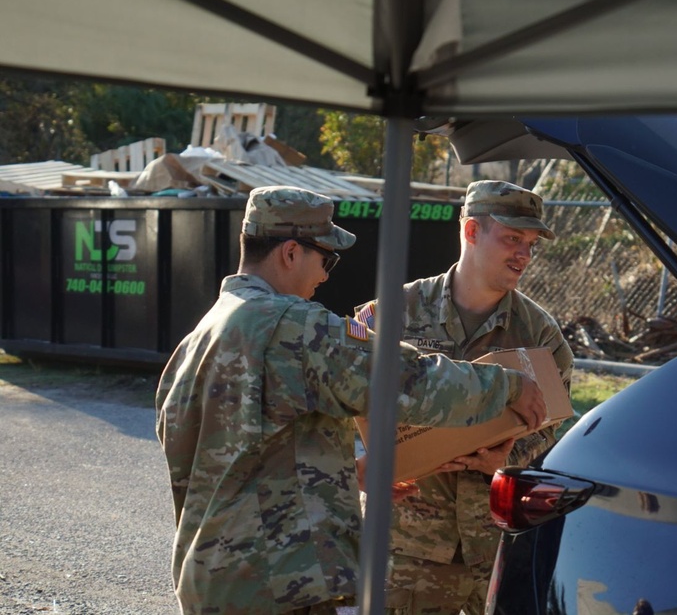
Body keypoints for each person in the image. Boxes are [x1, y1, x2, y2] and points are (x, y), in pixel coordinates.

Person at [155, 185, 547, 615]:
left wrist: (342, 471)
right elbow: (407, 380)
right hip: (280, 582)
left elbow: (244, 452)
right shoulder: (295, 327)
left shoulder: (199, 339)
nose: (324, 276)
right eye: (325, 259)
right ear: (290, 253)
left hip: (210, 578)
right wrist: (507, 386)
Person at [354, 180, 574, 615]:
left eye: (531, 244)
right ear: (472, 232)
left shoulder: (540, 335)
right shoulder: (389, 315)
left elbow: (555, 424)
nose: (524, 255)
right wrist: (359, 464)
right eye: (513, 238)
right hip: (407, 551)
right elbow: (339, 404)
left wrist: (510, 458)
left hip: (496, 546)